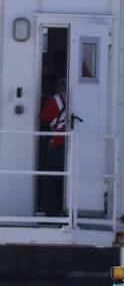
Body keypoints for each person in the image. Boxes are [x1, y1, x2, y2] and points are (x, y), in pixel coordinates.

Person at [38, 78, 67, 216]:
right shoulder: (77, 100)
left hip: (57, 144)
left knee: (49, 178)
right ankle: (64, 208)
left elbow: (43, 117)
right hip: (72, 145)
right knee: (65, 179)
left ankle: (51, 212)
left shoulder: (52, 101)